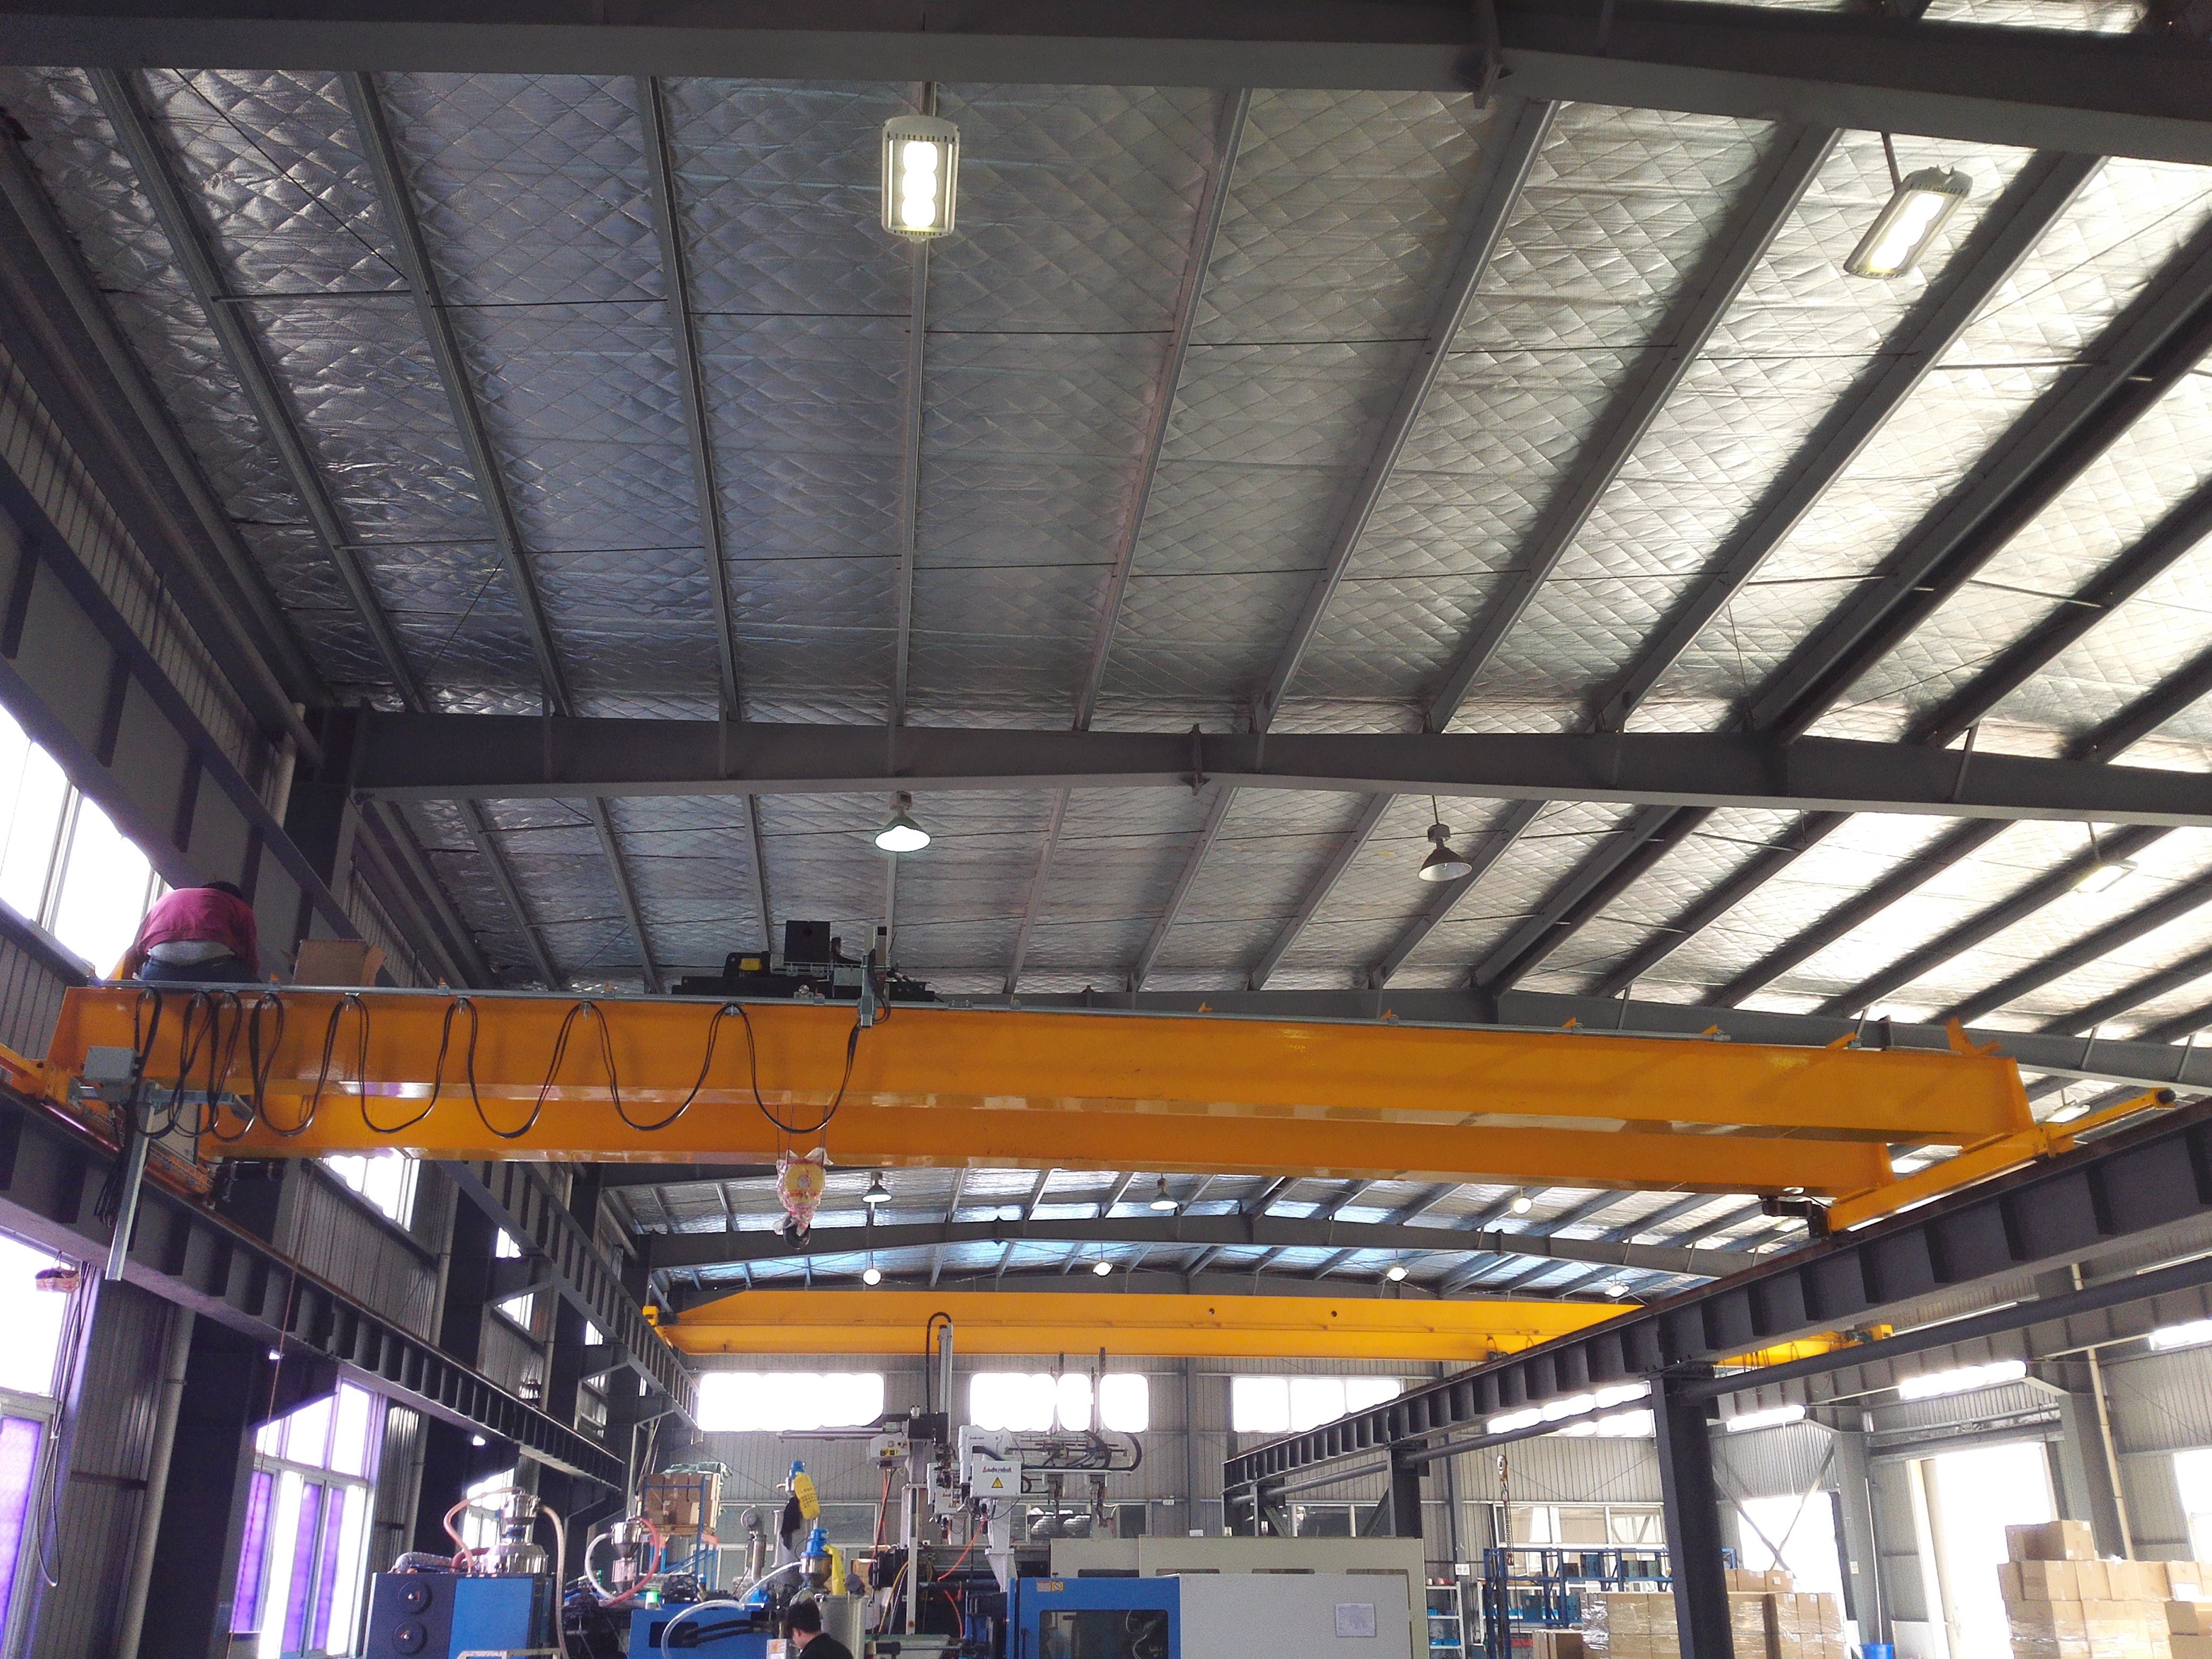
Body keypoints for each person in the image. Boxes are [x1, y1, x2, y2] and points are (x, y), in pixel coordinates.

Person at [118, 880, 261, 985]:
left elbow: (137, 949)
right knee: (259, 992)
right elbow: (250, 957)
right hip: (214, 971)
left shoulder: (166, 899)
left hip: (159, 973)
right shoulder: (238, 905)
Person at [783, 1599, 852, 1659]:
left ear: (797, 1632)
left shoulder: (808, 1656)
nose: (794, 1641)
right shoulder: (843, 1651)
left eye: (792, 1635)